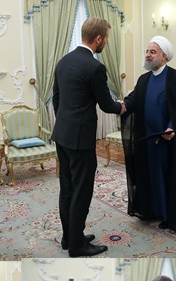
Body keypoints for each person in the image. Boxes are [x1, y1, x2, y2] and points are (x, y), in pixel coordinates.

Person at [52, 17, 124, 258]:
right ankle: (77, 246)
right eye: (107, 38)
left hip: (62, 135)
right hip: (80, 140)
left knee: (67, 188)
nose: (106, 43)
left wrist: (66, 122)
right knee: (82, 192)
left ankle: (69, 237)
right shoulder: (95, 67)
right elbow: (106, 104)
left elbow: (57, 99)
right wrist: (121, 106)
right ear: (98, 38)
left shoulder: (63, 61)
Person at [121, 36, 176, 232]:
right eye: (147, 51)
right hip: (146, 140)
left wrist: (172, 127)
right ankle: (151, 211)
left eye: (152, 52)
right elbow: (133, 100)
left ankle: (168, 216)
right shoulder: (144, 79)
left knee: (166, 178)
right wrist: (120, 106)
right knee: (150, 176)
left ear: (164, 56)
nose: (148, 55)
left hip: (168, 141)